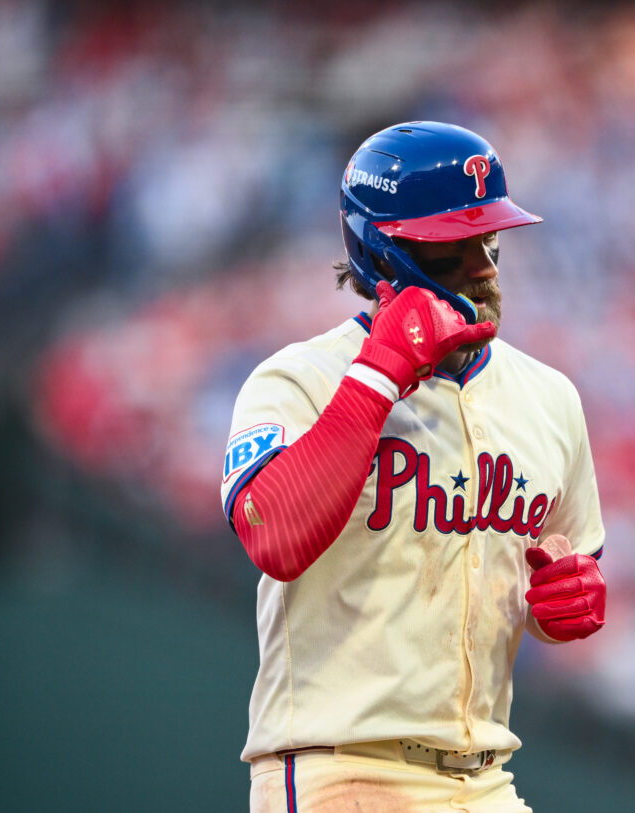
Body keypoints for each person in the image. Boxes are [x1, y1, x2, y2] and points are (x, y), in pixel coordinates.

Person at [221, 121, 607, 812]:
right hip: (341, 770)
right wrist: (379, 375)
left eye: (490, 241)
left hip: (485, 776)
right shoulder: (299, 380)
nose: (485, 268)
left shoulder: (550, 398)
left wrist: (563, 601)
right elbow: (274, 537)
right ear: (384, 254)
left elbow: (562, 569)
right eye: (455, 249)